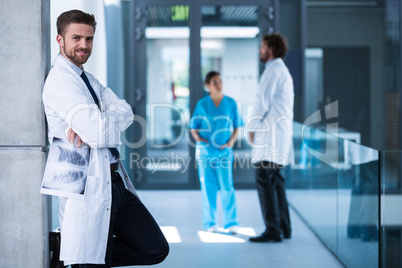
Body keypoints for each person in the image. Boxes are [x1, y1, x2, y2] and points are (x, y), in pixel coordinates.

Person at [41, 10, 169, 267]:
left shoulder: (87, 79)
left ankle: (72, 250)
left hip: (114, 184)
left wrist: (97, 122)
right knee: (89, 258)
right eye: (76, 38)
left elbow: (126, 112)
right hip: (87, 187)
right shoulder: (60, 82)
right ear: (59, 39)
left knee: (155, 248)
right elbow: (98, 133)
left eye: (89, 39)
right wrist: (98, 124)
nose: (83, 45)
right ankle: (71, 252)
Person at [248, 33, 294, 243]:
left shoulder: (273, 71)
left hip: (271, 137)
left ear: (272, 49)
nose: (260, 49)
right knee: (276, 182)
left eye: (263, 46)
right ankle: (284, 227)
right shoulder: (281, 70)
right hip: (278, 136)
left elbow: (261, 102)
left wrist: (251, 126)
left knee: (265, 181)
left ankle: (272, 230)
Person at [189, 71, 243, 233]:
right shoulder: (202, 104)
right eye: (214, 82)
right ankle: (210, 223)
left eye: (220, 80)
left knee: (227, 186)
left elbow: (237, 125)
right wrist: (198, 139)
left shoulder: (230, 103)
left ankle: (231, 223)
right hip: (205, 152)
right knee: (208, 187)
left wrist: (231, 142)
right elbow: (193, 127)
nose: (219, 84)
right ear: (208, 86)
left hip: (224, 152)